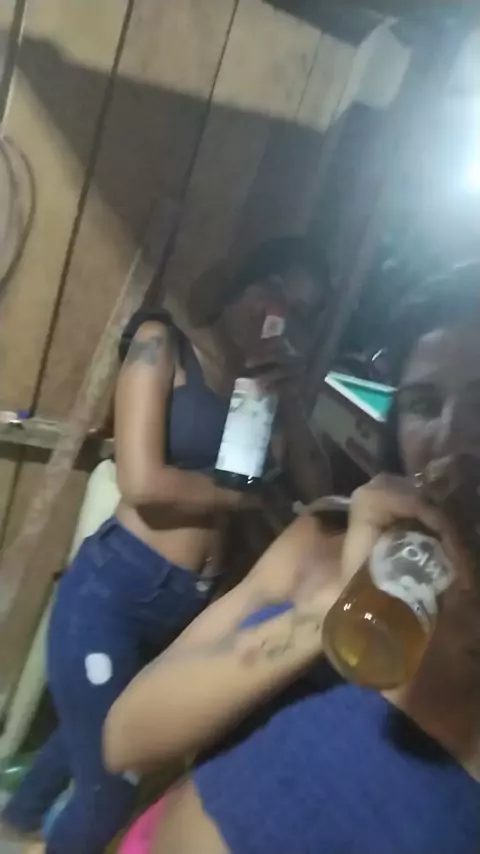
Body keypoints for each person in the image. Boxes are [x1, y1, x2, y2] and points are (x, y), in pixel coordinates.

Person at [104, 264, 480, 854]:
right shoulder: (327, 536)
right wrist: (333, 610)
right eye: (423, 404)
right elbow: (125, 739)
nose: (452, 438)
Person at [1, 236, 331, 854]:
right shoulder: (163, 343)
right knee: (114, 784)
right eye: (274, 291)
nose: (280, 316)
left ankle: (16, 822)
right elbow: (143, 483)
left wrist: (288, 399)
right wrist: (246, 500)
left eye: (301, 313)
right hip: (114, 591)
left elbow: (318, 490)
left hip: (185, 609)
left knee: (79, 740)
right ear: (238, 282)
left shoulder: (262, 388)